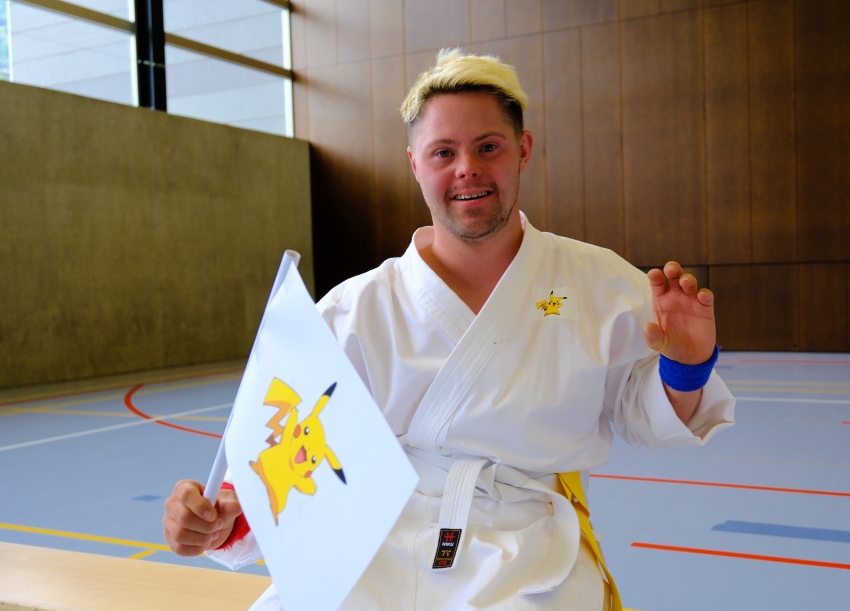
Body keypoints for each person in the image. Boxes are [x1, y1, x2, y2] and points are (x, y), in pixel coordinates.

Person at [163, 49, 735, 611]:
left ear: (523, 150)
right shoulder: (354, 308)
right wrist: (218, 518)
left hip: (523, 545)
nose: (467, 168)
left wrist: (685, 365)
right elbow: (287, 456)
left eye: (488, 146)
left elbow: (642, 411)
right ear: (415, 163)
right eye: (443, 152)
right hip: (370, 538)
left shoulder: (597, 280)